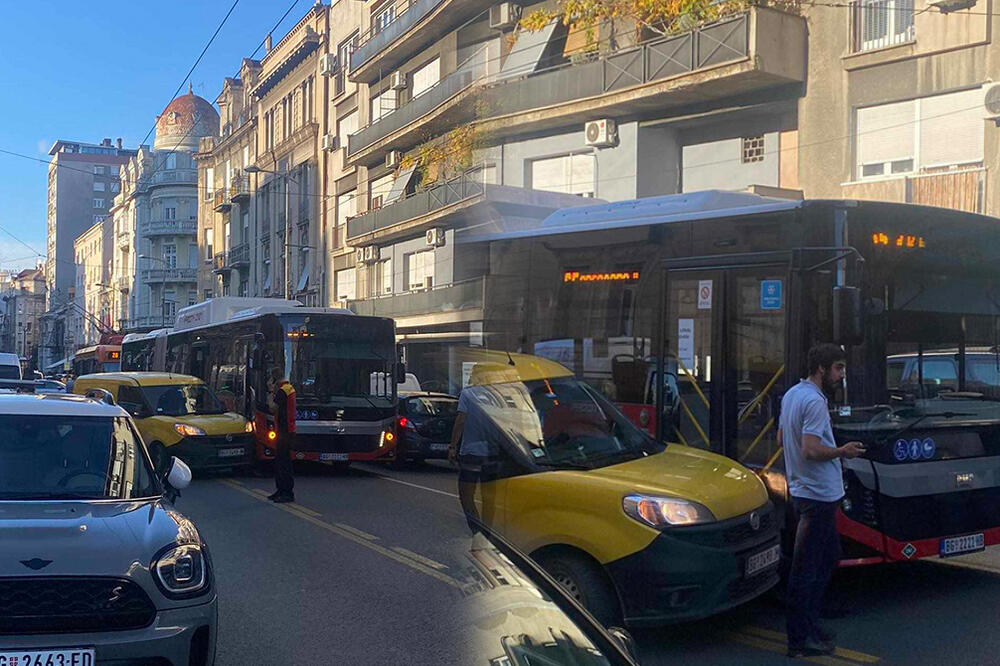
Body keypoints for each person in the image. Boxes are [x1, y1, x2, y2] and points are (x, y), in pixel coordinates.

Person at [779, 343, 865, 658]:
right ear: (822, 369)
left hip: (805, 492)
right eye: (838, 368)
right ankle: (799, 641)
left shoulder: (791, 395)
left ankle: (810, 625)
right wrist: (843, 451)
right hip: (816, 496)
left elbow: (781, 438)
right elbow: (811, 450)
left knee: (829, 557)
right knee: (807, 570)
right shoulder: (814, 401)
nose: (841, 374)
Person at [267, 367, 296, 504]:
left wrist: (270, 393)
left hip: (285, 431)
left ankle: (286, 492)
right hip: (286, 430)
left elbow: (272, 408)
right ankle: (281, 490)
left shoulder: (283, 391)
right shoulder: (289, 388)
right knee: (281, 462)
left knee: (283, 463)